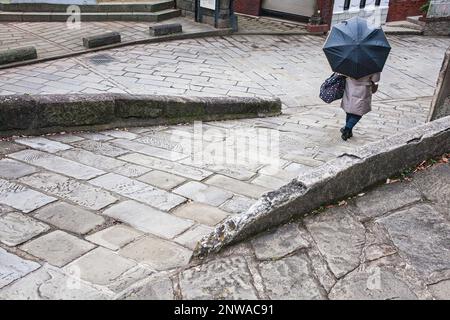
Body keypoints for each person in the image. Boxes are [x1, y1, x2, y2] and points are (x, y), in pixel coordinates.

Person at [340, 72, 381, 141]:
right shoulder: (373, 64)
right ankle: (347, 129)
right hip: (363, 89)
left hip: (350, 87)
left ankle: (349, 131)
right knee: (358, 112)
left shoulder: (350, 61)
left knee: (350, 109)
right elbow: (375, 79)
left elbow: (343, 73)